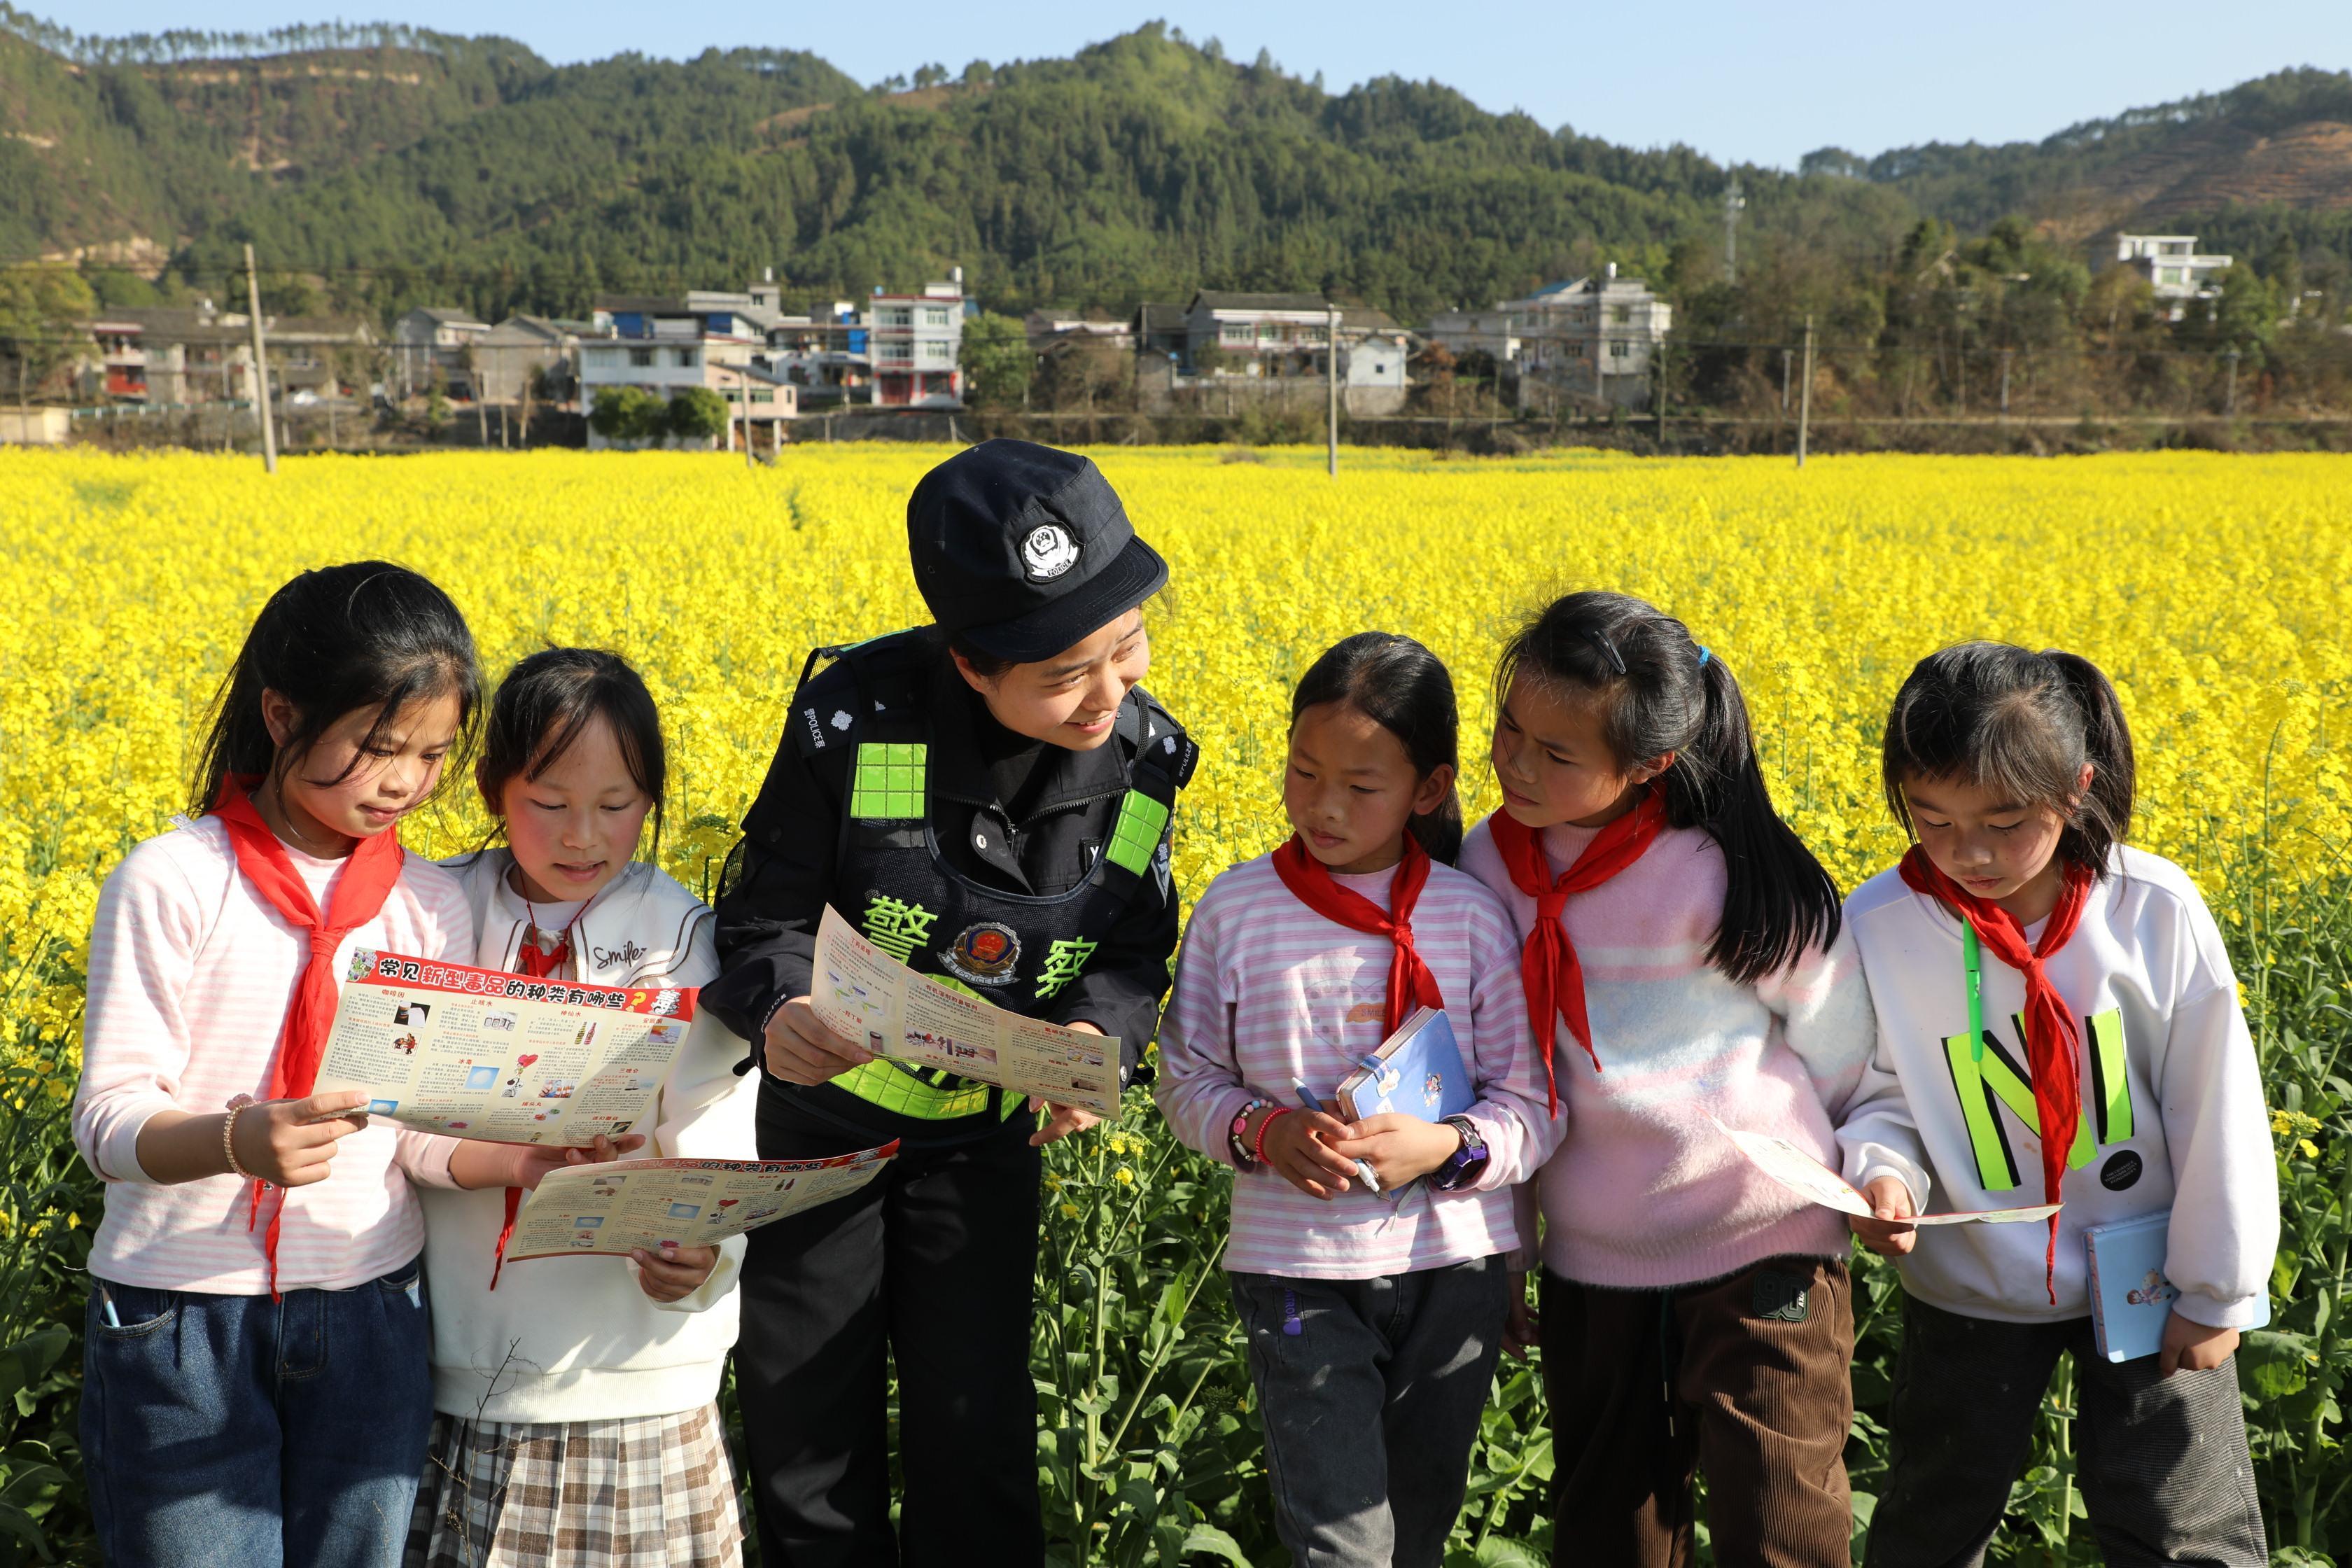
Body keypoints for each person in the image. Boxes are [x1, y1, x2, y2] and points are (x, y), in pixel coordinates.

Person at [704, 440, 1194, 1565]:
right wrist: (784, 1013)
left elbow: (1132, 945)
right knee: (806, 1424)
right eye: (1064, 674)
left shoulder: (1142, 759)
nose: (1109, 694)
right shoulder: (855, 724)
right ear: (970, 663)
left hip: (981, 1140)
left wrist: (1098, 1040)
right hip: (821, 1136)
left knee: (976, 1432)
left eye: (1126, 647)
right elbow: (765, 917)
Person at [71, 563, 585, 1568]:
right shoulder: (173, 882)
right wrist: (235, 1140)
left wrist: (523, 1160)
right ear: (281, 715)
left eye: (433, 754)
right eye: (379, 747)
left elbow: (417, 1130)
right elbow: (108, 1121)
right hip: (183, 1316)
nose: (405, 782)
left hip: (369, 1307)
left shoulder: (429, 903)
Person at [1456, 590, 1875, 1568]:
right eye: (1509, 730)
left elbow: (1844, 1056)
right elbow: (1494, 1072)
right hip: (1594, 1262)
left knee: (1784, 1533)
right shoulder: (1485, 863)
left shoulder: (1731, 872)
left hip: (1764, 1247)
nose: (1517, 764)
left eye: (1557, 754)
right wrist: (1508, 1244)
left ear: (1651, 763)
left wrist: (1857, 1177)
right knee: (1611, 1535)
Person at [1837, 643, 2274, 1567]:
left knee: (2184, 1529)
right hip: (1969, 1283)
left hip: (2154, 1277)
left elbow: (2215, 1109)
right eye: (1932, 819)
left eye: (2005, 822)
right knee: (1932, 1521)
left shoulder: (2153, 910)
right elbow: (1879, 1092)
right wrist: (1882, 1173)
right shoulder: (1876, 926)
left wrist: (2217, 1288)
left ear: (2077, 789)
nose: (1970, 853)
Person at [1155, 632, 1553, 1567]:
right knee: (1342, 1545)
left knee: (1417, 1535)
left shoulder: (1470, 914)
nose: (1323, 805)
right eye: (1303, 772)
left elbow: (1531, 1106)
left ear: (1430, 788)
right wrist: (1262, 1130)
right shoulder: (1235, 909)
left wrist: (1445, 1146)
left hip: (1454, 1267)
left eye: (1361, 786)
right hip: (1297, 1272)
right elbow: (1184, 1079)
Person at [406, 648, 759, 1567]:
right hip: (473, 1364)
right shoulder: (435, 909)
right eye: (549, 803)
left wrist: (705, 1251)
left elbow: (715, 1122)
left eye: (617, 805)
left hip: (642, 1365)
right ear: (491, 787)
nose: (583, 837)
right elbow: (392, 1108)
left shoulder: (679, 930)